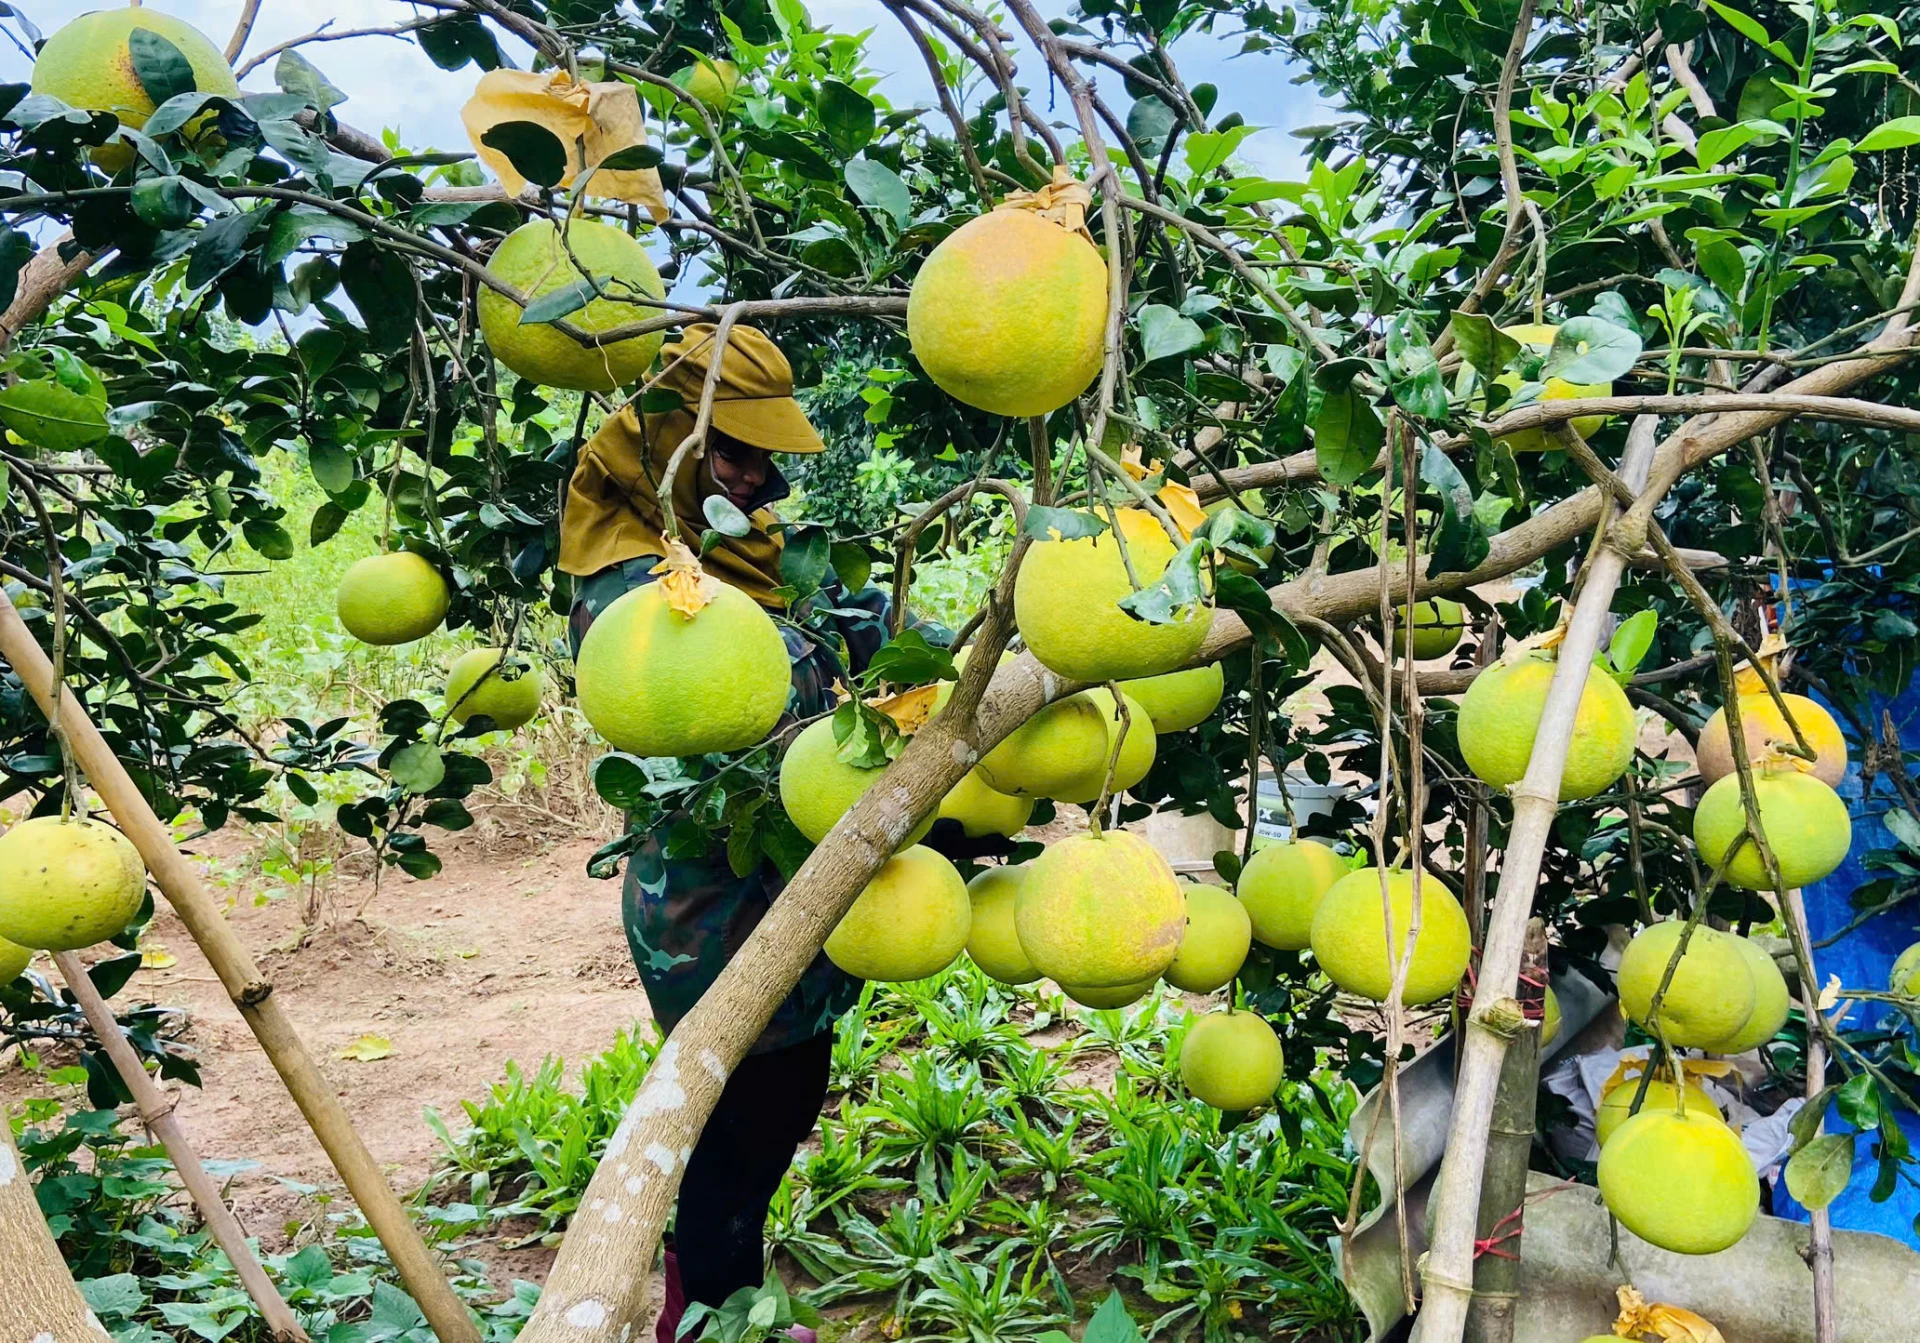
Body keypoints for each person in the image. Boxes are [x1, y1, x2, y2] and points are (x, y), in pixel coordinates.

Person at [558, 323, 909, 1343]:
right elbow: (729, 736)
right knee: (745, 1106)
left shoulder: (736, 554)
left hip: (779, 867)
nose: (757, 480)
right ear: (666, 440)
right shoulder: (635, 588)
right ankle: (705, 1315)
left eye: (764, 458)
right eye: (730, 453)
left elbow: (794, 654)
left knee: (778, 1091)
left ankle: (720, 1302)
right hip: (708, 893)